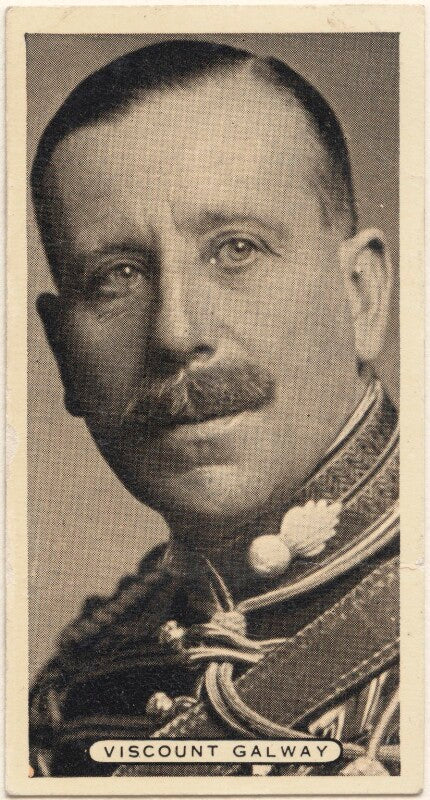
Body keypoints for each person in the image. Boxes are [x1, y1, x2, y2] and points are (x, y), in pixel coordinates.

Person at [29, 39, 399, 777]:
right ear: (65, 352)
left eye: (237, 250)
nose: (175, 332)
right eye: (117, 276)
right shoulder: (79, 688)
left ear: (360, 295)